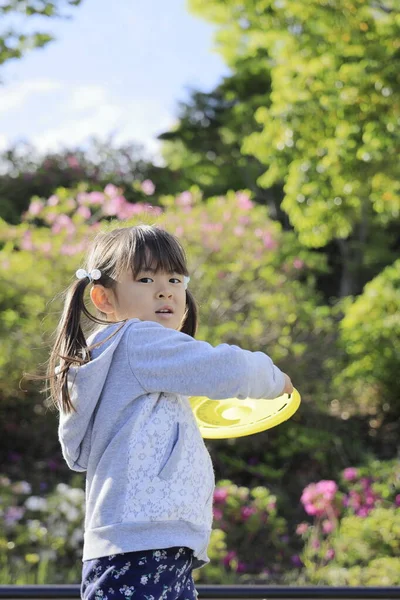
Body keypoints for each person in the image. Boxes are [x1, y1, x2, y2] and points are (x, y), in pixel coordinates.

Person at [48, 224, 294, 600]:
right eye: (145, 278)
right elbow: (220, 368)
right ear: (103, 298)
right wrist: (274, 380)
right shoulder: (136, 340)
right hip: (143, 543)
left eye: (175, 278)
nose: (164, 289)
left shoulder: (125, 359)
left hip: (145, 543)